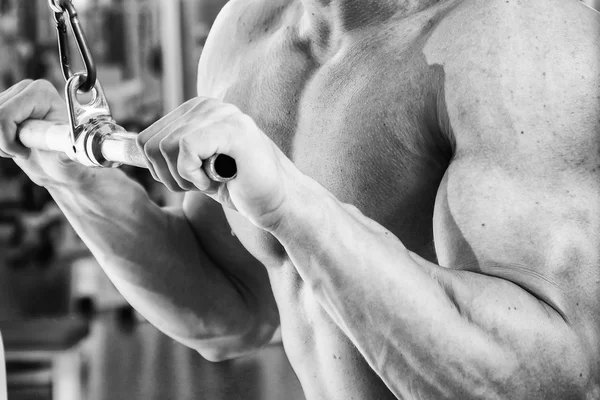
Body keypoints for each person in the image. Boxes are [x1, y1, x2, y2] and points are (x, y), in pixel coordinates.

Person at [0, 0, 599, 398]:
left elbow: (556, 377)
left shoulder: (519, 41)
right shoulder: (246, 32)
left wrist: (291, 206)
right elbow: (231, 310)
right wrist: (78, 182)